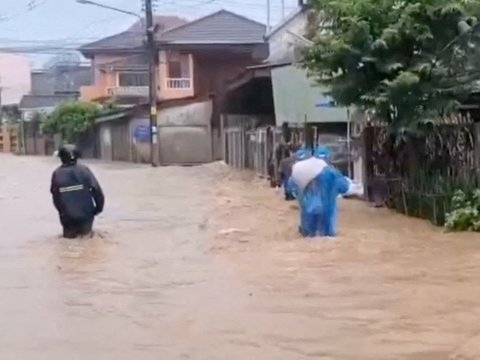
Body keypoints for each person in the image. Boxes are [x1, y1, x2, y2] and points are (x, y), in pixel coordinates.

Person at [50, 144, 105, 239]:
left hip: (67, 217)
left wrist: (62, 212)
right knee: (87, 242)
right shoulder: (84, 170)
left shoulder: (56, 174)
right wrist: (98, 209)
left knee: (68, 244)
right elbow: (97, 191)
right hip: (86, 216)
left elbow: (56, 198)